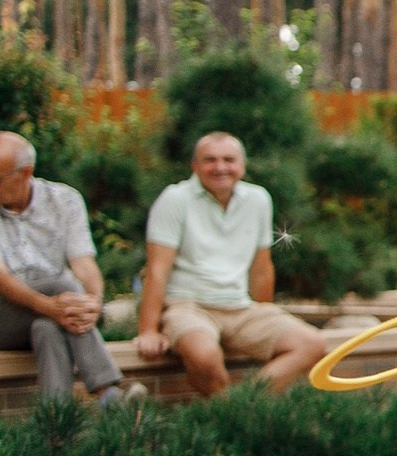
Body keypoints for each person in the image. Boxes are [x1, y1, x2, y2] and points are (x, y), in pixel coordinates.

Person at [135, 132, 329, 394]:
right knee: (204, 356)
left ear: (242, 166)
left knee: (312, 344)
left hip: (239, 308)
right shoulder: (175, 199)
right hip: (188, 306)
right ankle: (231, 416)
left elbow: (261, 269)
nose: (220, 167)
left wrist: (264, 318)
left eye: (229, 159)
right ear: (195, 165)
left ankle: (245, 407)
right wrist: (148, 330)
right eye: (210, 160)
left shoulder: (258, 199)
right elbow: (157, 270)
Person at [0, 131, 140, 405]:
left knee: (47, 328)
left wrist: (93, 302)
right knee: (62, 286)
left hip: (55, 311)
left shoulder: (65, 200)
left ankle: (56, 423)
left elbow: (84, 263)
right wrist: (51, 306)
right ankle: (108, 391)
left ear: (25, 173)